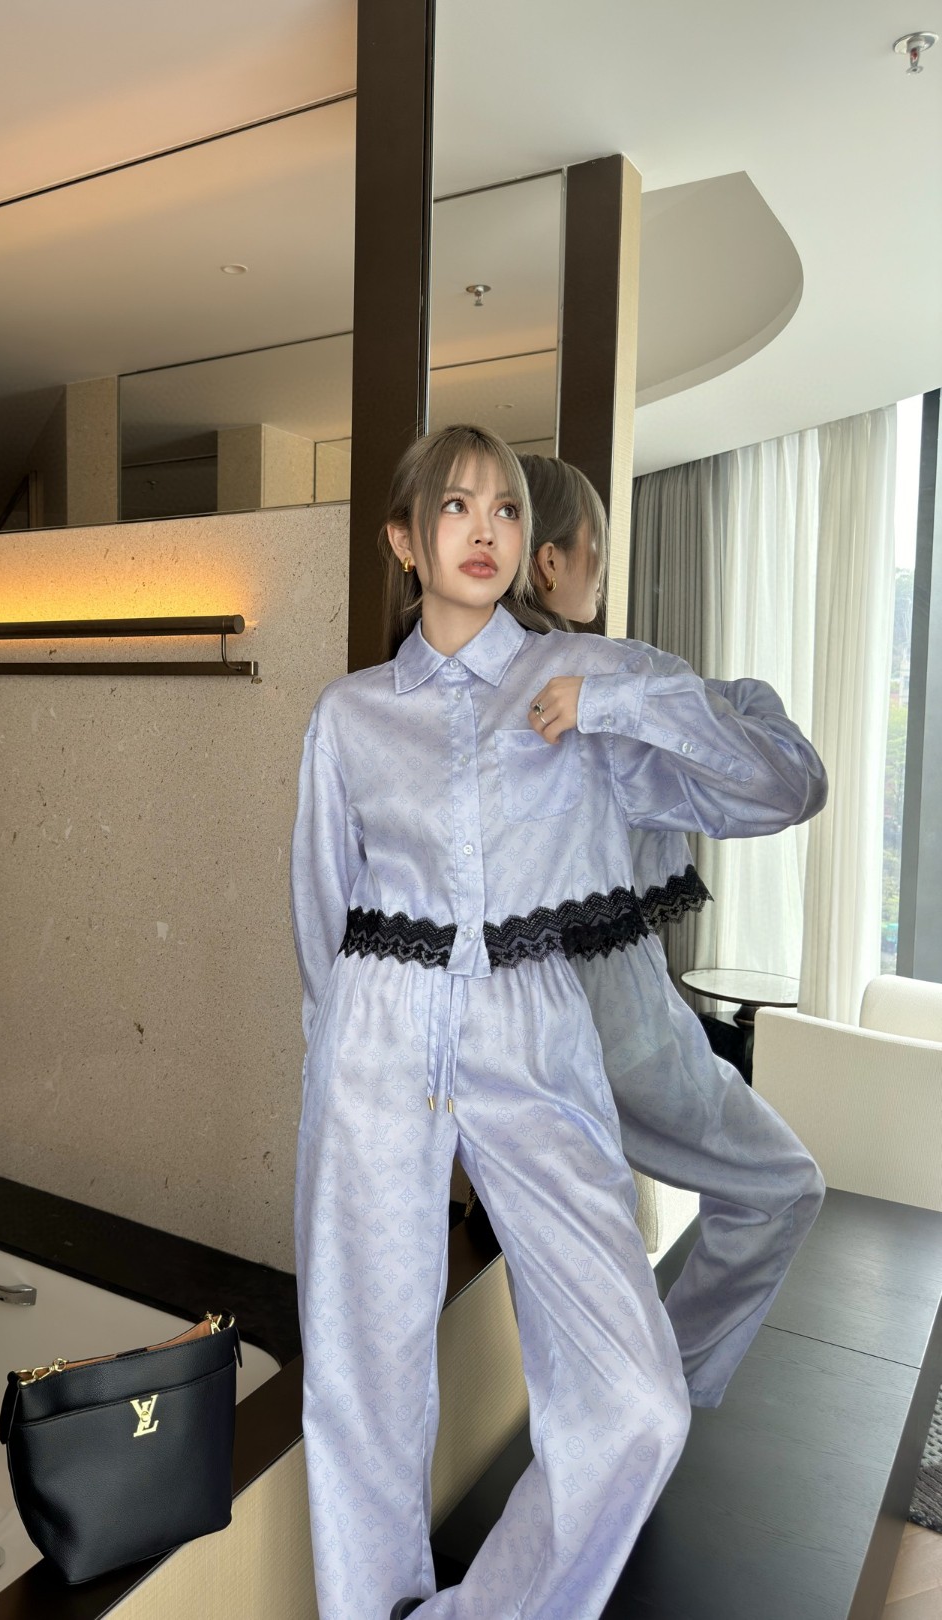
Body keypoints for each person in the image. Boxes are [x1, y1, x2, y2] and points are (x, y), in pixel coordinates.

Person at [290, 424, 826, 1620]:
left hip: (534, 1031)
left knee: (638, 1402)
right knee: (362, 1377)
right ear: (404, 540)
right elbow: (322, 917)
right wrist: (340, 1065)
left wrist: (619, 701)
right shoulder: (348, 716)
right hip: (376, 1028)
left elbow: (785, 785)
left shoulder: (580, 678)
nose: (485, 530)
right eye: (455, 506)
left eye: (507, 509)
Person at [497, 453, 827, 1406]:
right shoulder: (610, 677)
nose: (602, 574)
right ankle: (664, 1391)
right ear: (551, 562)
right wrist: (666, 697)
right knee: (780, 1185)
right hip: (610, 1010)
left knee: (562, 1286)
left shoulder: (454, 683)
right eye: (595, 552)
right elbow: (788, 781)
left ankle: (612, 1426)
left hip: (498, 1028)